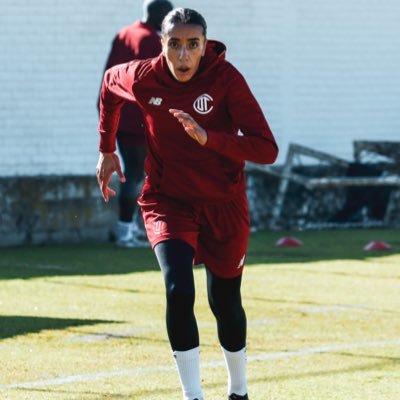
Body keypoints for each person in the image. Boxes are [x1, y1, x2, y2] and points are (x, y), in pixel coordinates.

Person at [96, 7, 278, 400]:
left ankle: (239, 391)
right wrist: (106, 147)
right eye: (174, 44)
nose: (182, 56)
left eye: (191, 45)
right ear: (160, 44)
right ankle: (192, 396)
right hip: (168, 201)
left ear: (204, 46)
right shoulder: (144, 76)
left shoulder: (225, 79)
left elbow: (267, 148)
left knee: (225, 303)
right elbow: (110, 85)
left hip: (223, 204)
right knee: (178, 289)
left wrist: (210, 138)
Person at [100, 0, 173, 247]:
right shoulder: (151, 41)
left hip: (119, 115)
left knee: (136, 173)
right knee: (136, 174)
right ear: (160, 16)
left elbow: (108, 74)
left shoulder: (125, 33)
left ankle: (130, 229)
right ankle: (125, 233)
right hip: (138, 119)